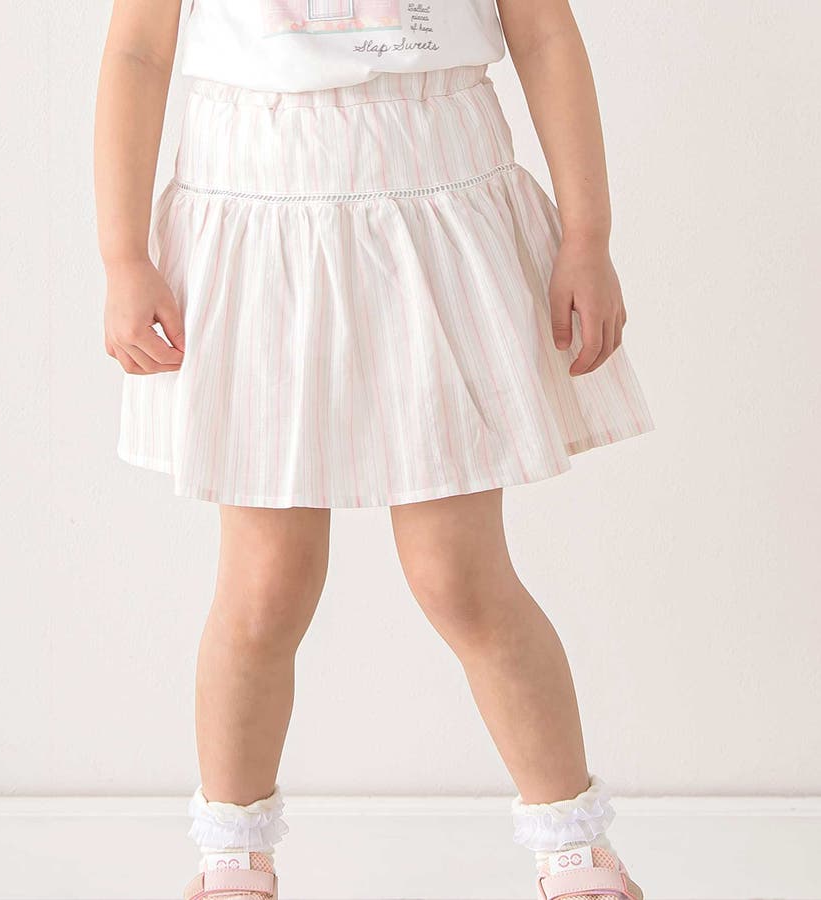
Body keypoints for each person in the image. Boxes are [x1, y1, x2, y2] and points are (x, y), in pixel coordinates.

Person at [94, 2, 654, 898]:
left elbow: (545, 33)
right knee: (265, 584)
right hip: (258, 212)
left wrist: (588, 236)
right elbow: (135, 50)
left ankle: (574, 847)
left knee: (459, 575)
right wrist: (123, 255)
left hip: (436, 201)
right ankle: (233, 856)